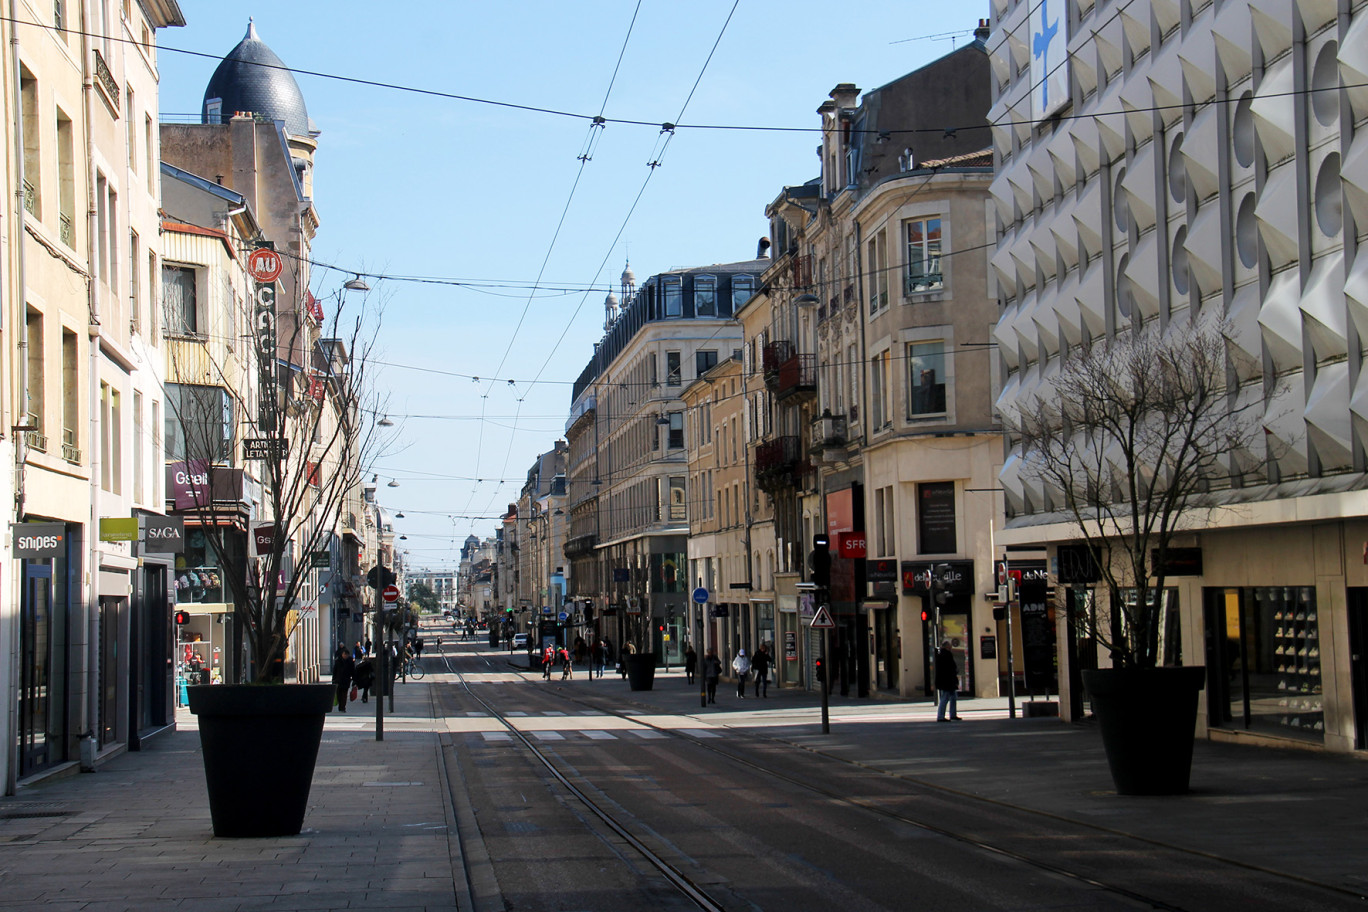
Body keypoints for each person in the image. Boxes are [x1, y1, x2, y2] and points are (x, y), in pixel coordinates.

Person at [935, 640, 963, 722]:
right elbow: (950, 668)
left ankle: (952, 715)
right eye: (950, 646)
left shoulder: (940, 655)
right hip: (948, 681)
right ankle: (941, 716)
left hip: (945, 681)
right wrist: (955, 671)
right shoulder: (947, 654)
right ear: (947, 646)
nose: (951, 647)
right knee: (945, 698)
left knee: (952, 697)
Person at [330, 644, 354, 713]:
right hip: (338, 680)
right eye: (344, 654)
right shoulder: (338, 661)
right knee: (338, 694)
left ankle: (342, 707)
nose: (345, 656)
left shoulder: (350, 661)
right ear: (342, 654)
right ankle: (341, 705)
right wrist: (333, 680)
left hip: (346, 680)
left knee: (344, 694)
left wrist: (354, 680)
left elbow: (353, 671)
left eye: (346, 655)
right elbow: (335, 671)